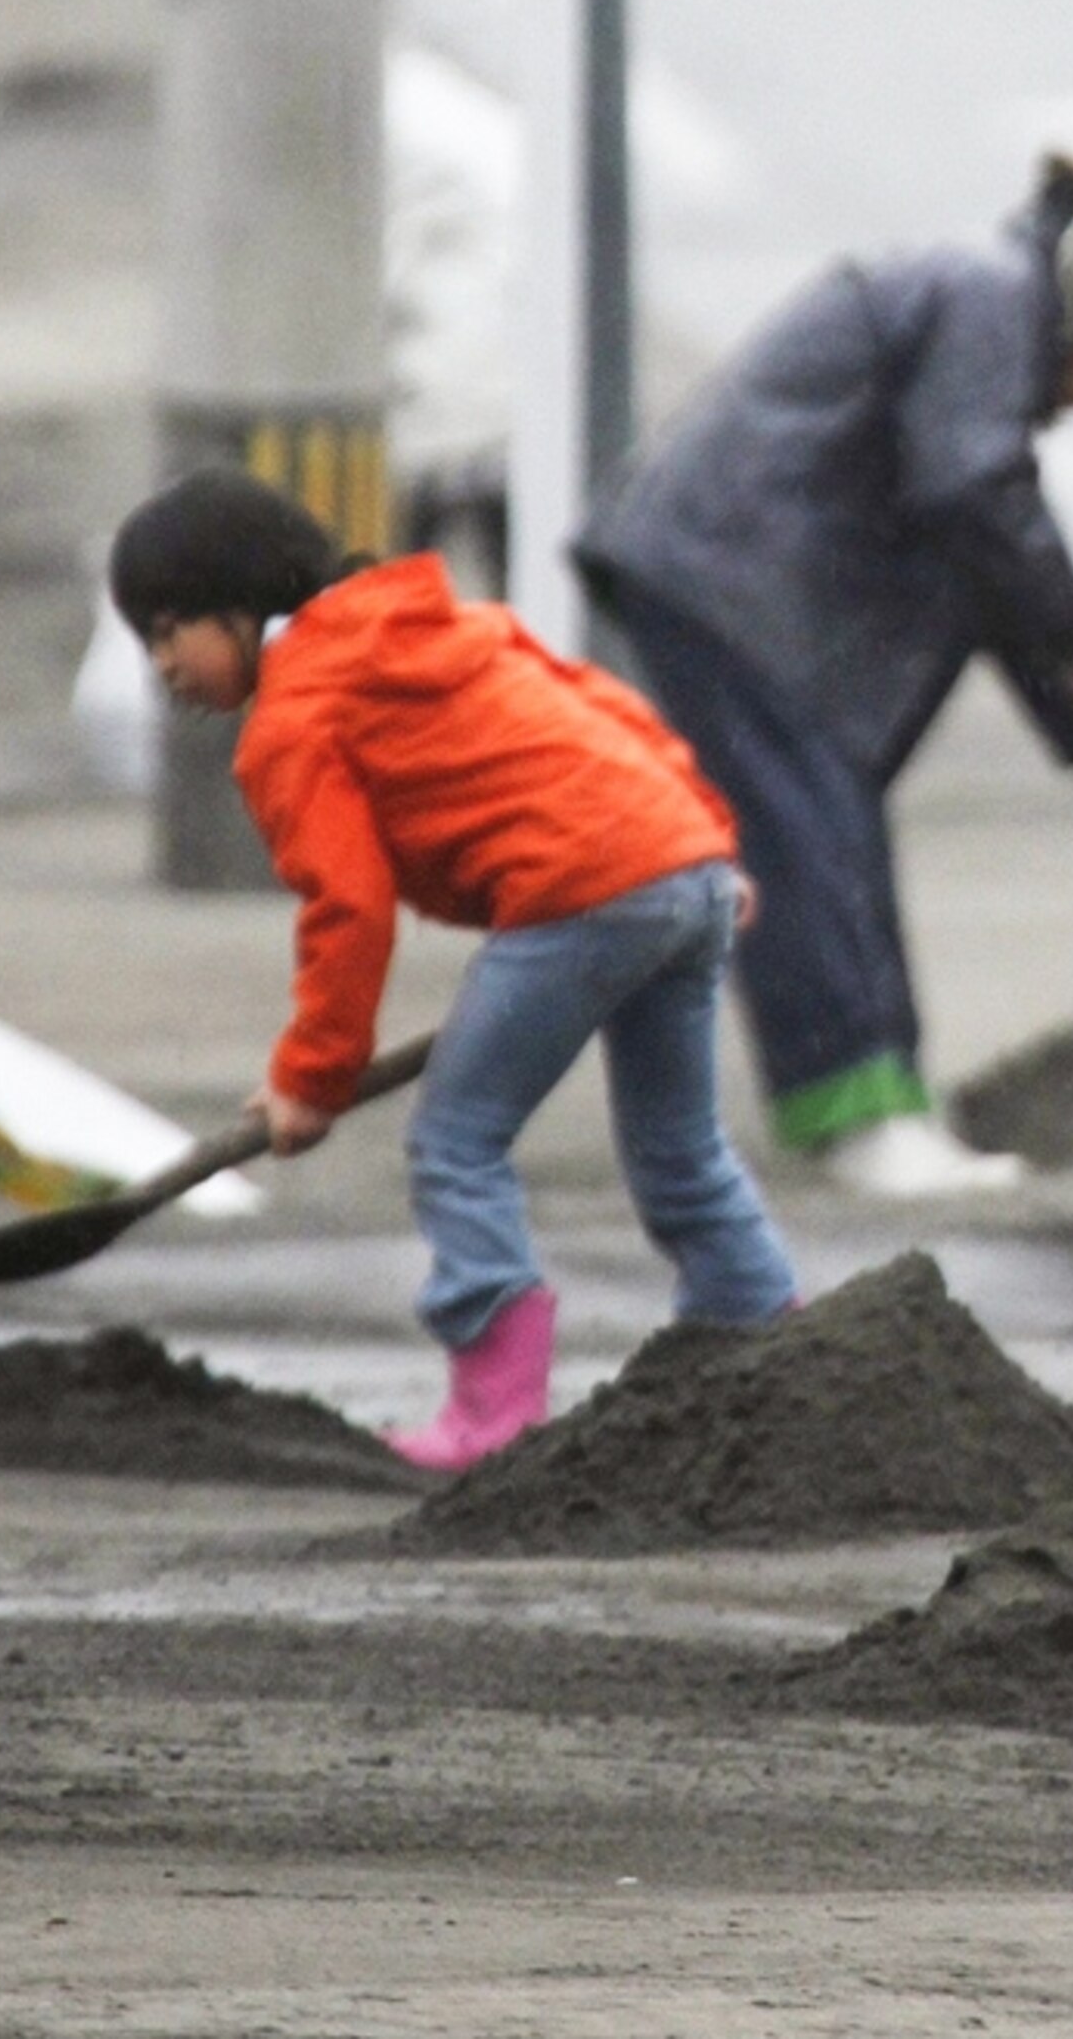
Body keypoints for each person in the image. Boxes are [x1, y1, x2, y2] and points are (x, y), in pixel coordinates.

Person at [110, 467, 803, 1473]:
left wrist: (312, 1076)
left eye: (170, 629)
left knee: (456, 1141)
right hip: (675, 868)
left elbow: (348, 908)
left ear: (240, 605)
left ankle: (495, 1409)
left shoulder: (295, 716)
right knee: (679, 1146)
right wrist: (704, 840)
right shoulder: (438, 621)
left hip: (577, 888)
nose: (163, 663)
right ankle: (767, 1356)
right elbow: (599, 705)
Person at [576, 152, 1073, 1199]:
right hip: (738, 575)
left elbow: (986, 564)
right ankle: (859, 1117)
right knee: (804, 828)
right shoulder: (990, 300)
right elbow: (973, 500)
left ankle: (882, 1102)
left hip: (754, 582)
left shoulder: (987, 316)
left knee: (827, 820)